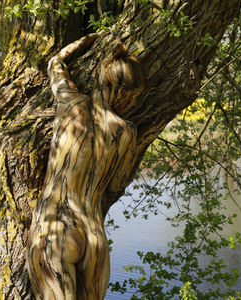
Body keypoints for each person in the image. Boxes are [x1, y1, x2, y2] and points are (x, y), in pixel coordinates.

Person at [27, 33, 146, 300]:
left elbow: (55, 63)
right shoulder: (127, 132)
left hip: (55, 229)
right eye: (134, 96)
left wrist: (86, 40)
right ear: (121, 90)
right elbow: (116, 185)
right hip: (93, 238)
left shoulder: (69, 103)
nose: (134, 103)